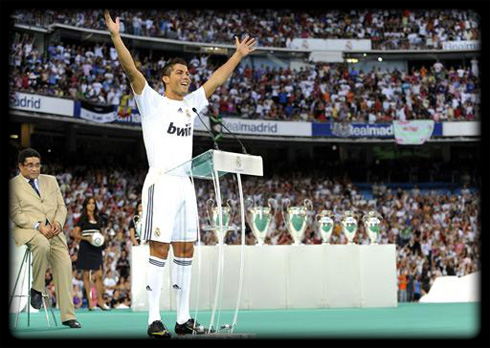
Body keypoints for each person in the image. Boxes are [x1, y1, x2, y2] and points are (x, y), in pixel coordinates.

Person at [105, 10, 256, 338]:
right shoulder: (152, 103)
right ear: (165, 78)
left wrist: (237, 56)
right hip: (161, 182)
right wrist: (116, 36)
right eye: (180, 72)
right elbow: (131, 70)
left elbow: (215, 81)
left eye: (187, 72)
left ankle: (184, 318)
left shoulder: (190, 105)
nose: (186, 76)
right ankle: (154, 319)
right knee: (159, 249)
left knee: (186, 249)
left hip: (187, 183)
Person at [9, 148, 82, 328]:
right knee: (41, 244)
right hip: (28, 229)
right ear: (20, 166)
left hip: (54, 231)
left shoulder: (51, 181)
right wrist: (37, 225)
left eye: (37, 165)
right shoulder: (12, 185)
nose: (35, 169)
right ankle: (38, 288)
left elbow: (61, 206)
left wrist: (58, 223)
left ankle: (68, 316)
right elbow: (16, 214)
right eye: (30, 165)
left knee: (65, 264)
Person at [73, 197, 110, 311]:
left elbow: (102, 234)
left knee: (98, 274)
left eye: (93, 203)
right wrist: (86, 238)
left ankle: (100, 301)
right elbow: (75, 234)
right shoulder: (82, 219)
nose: (91, 205)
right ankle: (90, 302)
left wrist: (104, 238)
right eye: (89, 203)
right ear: (85, 205)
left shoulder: (99, 219)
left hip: (96, 249)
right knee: (86, 275)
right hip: (85, 248)